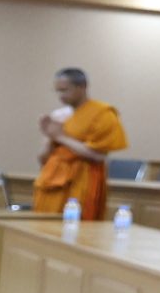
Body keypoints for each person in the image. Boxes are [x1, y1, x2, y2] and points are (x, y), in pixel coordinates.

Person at [32, 67, 127, 218]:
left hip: (83, 178)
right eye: (57, 91)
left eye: (65, 90)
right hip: (53, 179)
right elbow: (43, 159)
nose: (61, 96)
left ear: (82, 87)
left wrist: (61, 137)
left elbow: (98, 156)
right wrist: (49, 137)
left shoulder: (102, 113)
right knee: (44, 225)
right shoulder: (59, 115)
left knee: (76, 223)